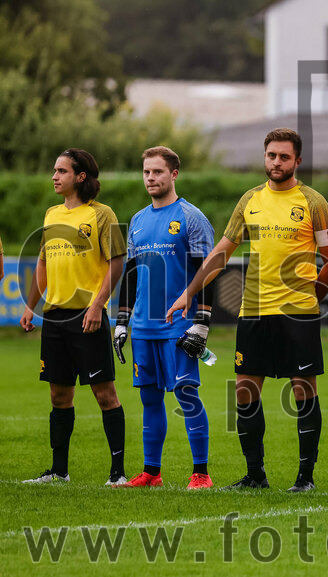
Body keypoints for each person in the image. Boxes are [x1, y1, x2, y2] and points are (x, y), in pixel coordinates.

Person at [167, 128, 328, 492]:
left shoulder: (313, 202)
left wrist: (311, 297)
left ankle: (305, 478)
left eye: (284, 157)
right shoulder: (250, 200)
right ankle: (255, 475)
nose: (276, 162)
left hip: (298, 313)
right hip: (254, 311)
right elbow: (221, 253)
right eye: (271, 155)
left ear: (298, 161)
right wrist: (189, 291)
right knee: (245, 390)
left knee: (302, 390)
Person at [21, 148, 127, 486]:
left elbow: (117, 262)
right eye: (55, 171)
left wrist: (97, 306)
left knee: (104, 393)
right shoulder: (51, 214)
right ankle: (58, 471)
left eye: (61, 171)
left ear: (80, 176)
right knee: (58, 395)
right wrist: (30, 305)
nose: (54, 176)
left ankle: (118, 474)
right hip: (54, 318)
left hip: (87, 316)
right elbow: (43, 264)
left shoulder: (102, 214)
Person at [113, 146, 215, 489]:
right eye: (146, 172)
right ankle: (151, 473)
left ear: (174, 174)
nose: (150, 178)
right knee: (149, 400)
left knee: (186, 395)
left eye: (157, 172)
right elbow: (130, 275)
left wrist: (202, 321)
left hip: (178, 326)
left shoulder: (191, 216)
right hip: (143, 327)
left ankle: (200, 473)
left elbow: (208, 271)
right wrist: (122, 321)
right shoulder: (138, 221)